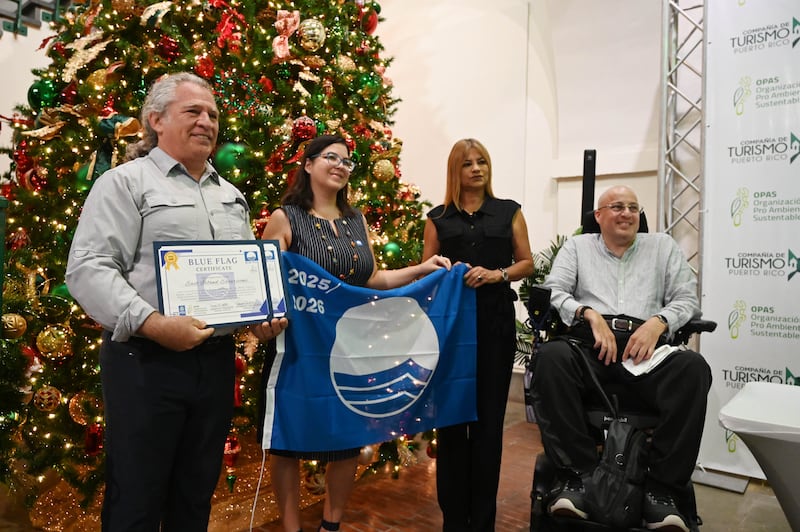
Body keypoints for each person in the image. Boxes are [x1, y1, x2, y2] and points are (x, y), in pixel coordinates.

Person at [66, 72, 288, 531]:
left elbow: (245, 275)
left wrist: (260, 316)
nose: (207, 121)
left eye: (212, 114)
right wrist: (153, 323)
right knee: (137, 497)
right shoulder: (123, 183)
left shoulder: (231, 196)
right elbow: (88, 269)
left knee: (195, 493)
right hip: (145, 362)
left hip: (215, 363)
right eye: (193, 112)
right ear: (156, 120)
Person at [260, 134, 451, 532]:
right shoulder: (285, 218)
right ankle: (292, 528)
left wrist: (421, 269)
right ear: (308, 164)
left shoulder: (355, 220)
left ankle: (331, 524)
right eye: (331, 157)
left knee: (347, 439)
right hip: (297, 346)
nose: (340, 165)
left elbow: (373, 277)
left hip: (348, 345)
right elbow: (264, 282)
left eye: (347, 161)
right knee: (287, 440)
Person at [530, 185, 712, 532]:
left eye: (632, 207)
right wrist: (588, 314)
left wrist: (659, 323)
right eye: (617, 206)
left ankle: (662, 492)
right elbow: (554, 291)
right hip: (590, 347)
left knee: (693, 369)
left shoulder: (662, 247)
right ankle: (578, 479)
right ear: (598, 217)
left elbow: (687, 299)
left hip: (647, 351)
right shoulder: (579, 247)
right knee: (551, 358)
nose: (627, 213)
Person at [421, 138, 534, 531]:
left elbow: (527, 262)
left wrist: (496, 274)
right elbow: (427, 270)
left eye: (482, 161)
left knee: (488, 424)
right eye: (468, 163)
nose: (476, 168)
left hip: (495, 325)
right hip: (452, 329)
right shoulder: (437, 218)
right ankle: (453, 519)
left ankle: (482, 519)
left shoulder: (509, 212)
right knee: (450, 423)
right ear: (456, 170)